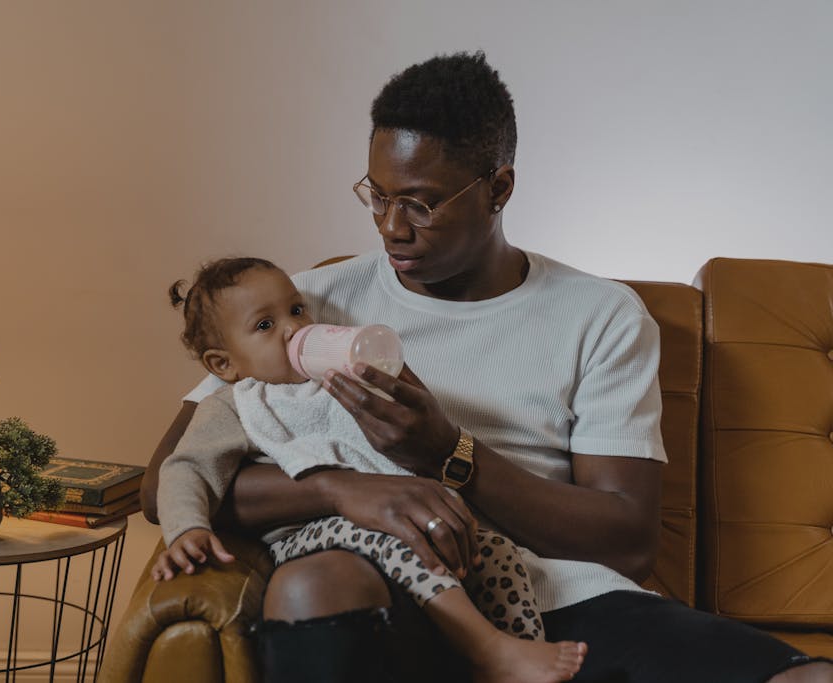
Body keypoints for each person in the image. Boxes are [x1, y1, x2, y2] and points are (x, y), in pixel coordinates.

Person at [142, 52, 833, 682]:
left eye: (420, 202)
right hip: (389, 589)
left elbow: (627, 540)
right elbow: (169, 476)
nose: (390, 226)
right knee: (310, 586)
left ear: (498, 188)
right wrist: (343, 490)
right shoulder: (303, 303)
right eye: (377, 195)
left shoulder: (600, 315)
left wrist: (447, 451)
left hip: (555, 597)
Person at [151, 256, 586, 683]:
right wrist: (186, 528)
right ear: (223, 364)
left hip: (397, 518)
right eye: (265, 325)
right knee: (399, 540)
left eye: (297, 309)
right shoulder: (237, 405)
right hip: (313, 534)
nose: (293, 328)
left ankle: (519, 650)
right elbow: (186, 468)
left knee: (496, 553)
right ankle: (488, 649)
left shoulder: (341, 380)